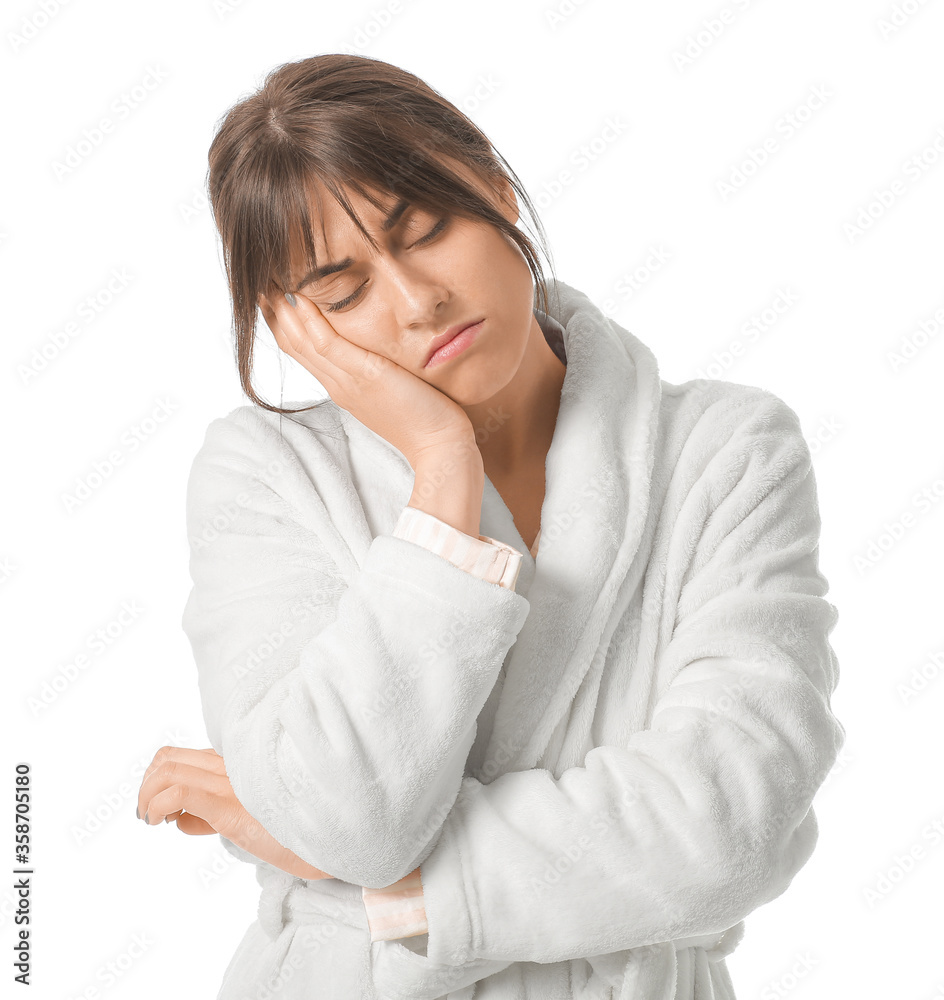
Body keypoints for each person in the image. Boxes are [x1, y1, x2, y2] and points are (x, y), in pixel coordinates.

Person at [136, 52, 846, 1000]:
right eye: (345, 292)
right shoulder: (264, 476)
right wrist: (441, 469)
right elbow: (351, 817)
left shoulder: (725, 452)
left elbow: (734, 823)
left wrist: (393, 891)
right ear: (295, 323)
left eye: (425, 229)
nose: (415, 299)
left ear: (496, 189)